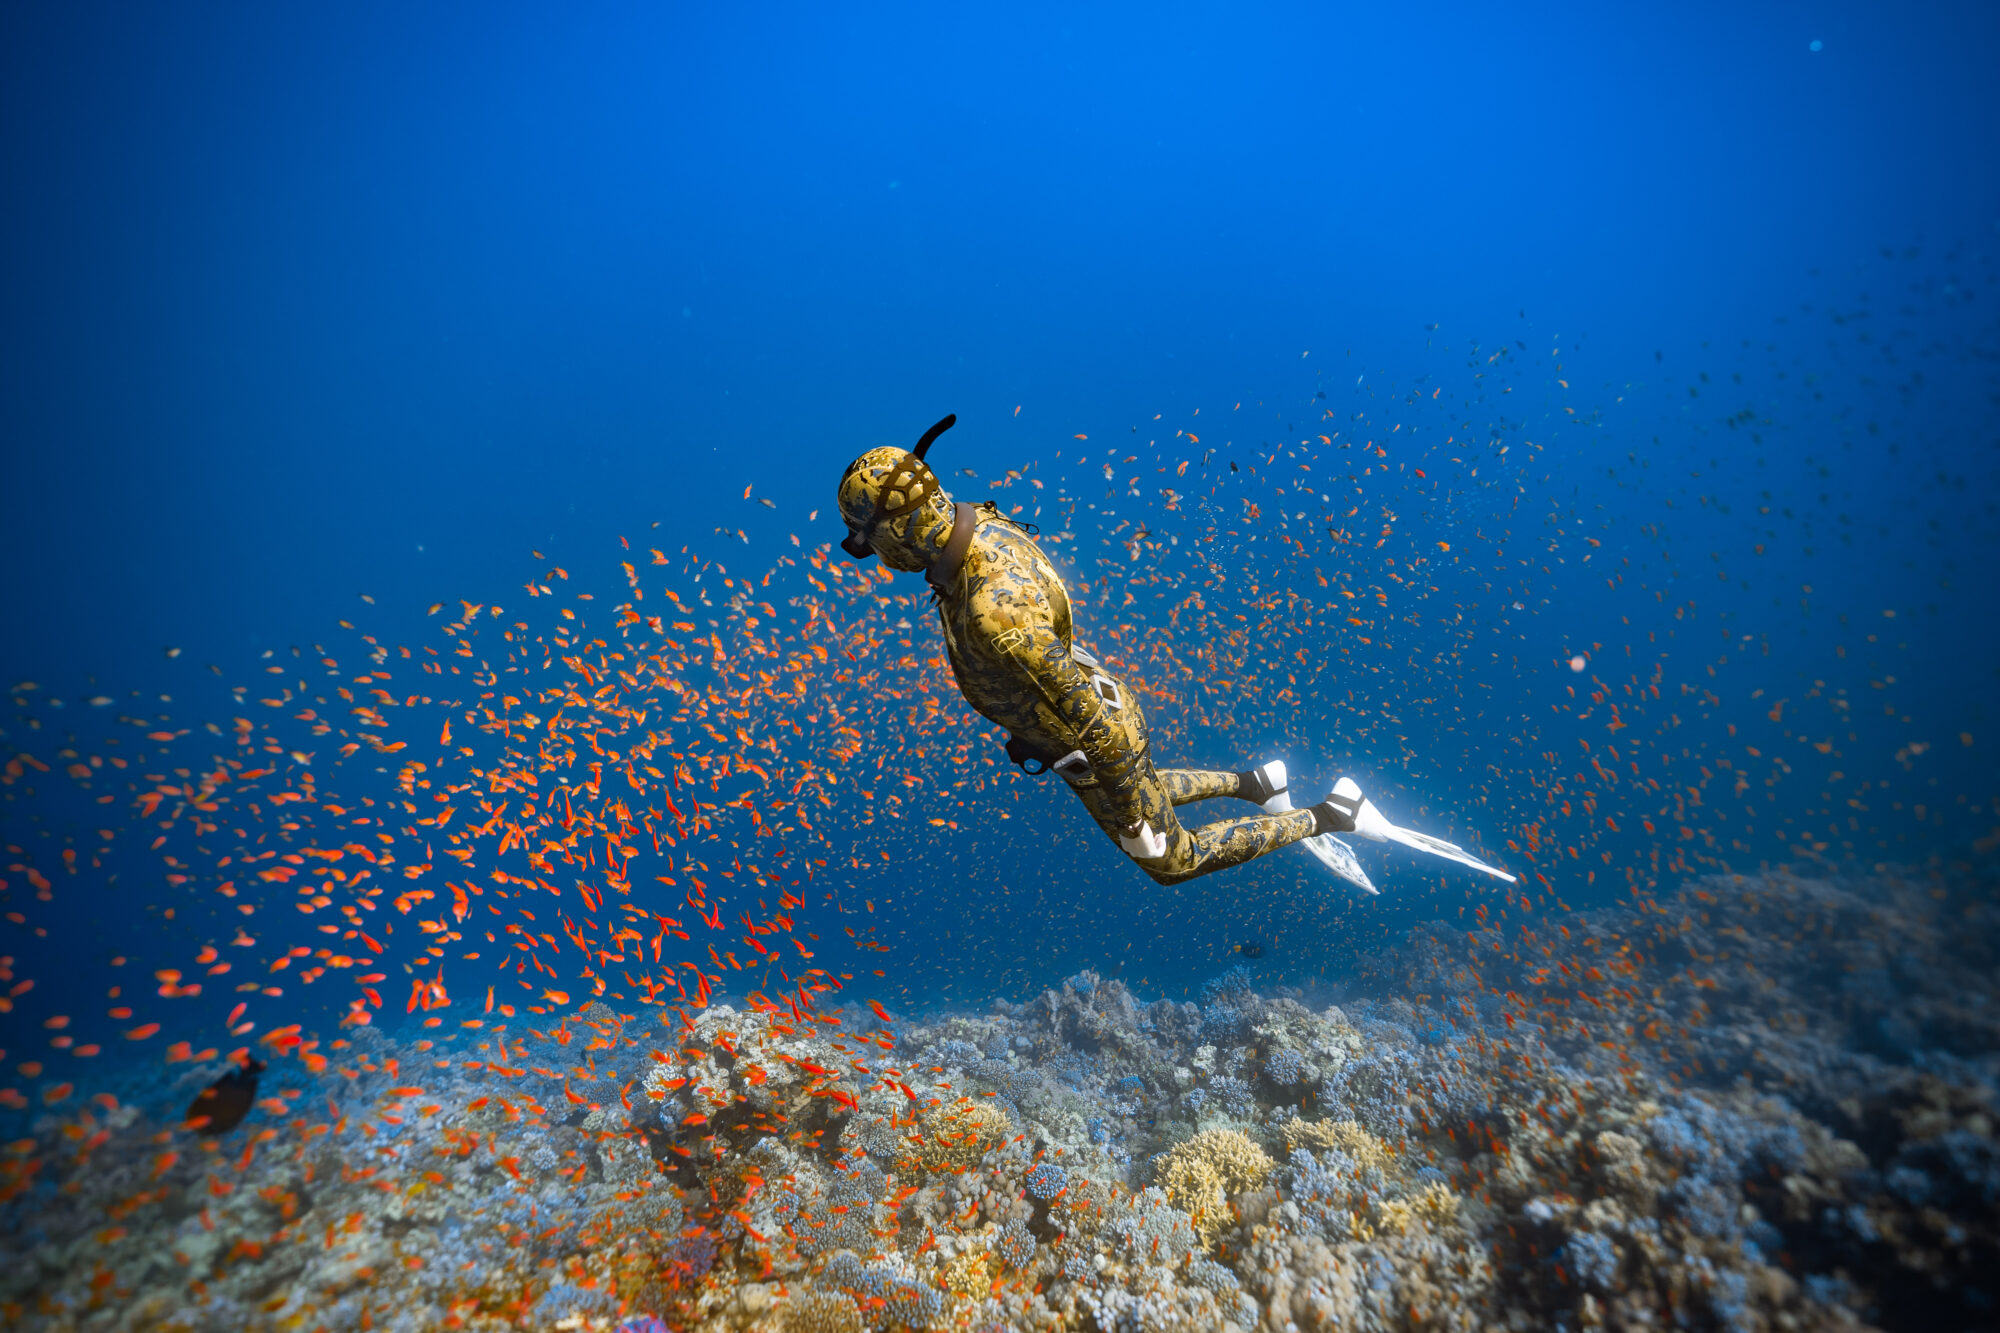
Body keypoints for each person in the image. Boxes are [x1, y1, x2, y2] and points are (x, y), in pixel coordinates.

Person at [835, 416, 1514, 892]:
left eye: (867, 541)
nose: (873, 557)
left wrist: (1134, 818)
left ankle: (1334, 814)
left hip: (1093, 734)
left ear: (897, 528)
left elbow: (1083, 715)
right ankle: (1257, 783)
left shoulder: (990, 610)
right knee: (1151, 784)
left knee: (1172, 861)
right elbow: (1050, 666)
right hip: (1092, 716)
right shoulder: (978, 526)